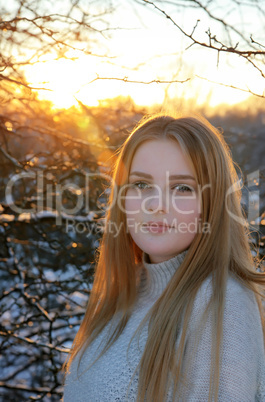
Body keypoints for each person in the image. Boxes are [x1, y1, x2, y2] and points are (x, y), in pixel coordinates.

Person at [63, 114, 265, 401]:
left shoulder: (221, 303)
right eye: (142, 185)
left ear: (212, 205)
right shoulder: (123, 293)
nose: (156, 205)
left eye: (182, 188)